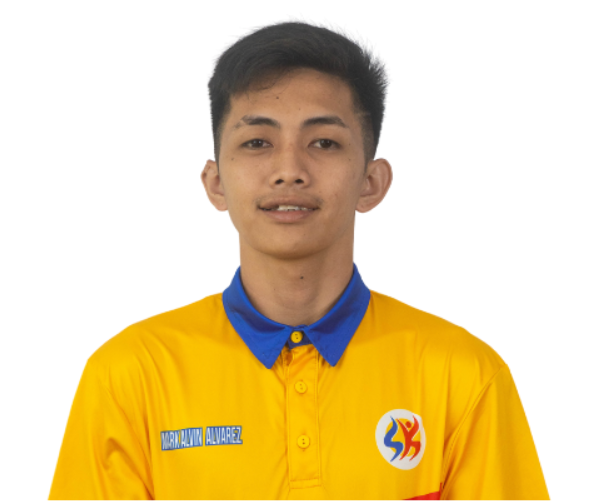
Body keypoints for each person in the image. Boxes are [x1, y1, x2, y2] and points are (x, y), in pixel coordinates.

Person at [49, 22, 549, 500]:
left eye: (324, 142)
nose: (289, 170)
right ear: (216, 182)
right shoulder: (131, 376)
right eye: (257, 143)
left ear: (371, 182)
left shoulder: (462, 376)